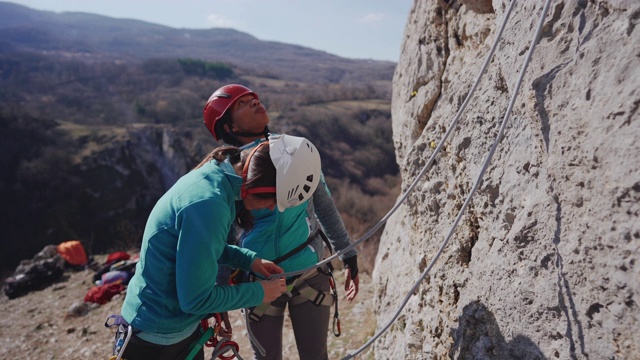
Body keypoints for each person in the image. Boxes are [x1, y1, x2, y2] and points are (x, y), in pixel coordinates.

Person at [116, 134, 322, 360]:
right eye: (274, 200)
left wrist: (249, 260)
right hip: (156, 339)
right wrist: (260, 292)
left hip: (167, 329)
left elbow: (203, 250)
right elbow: (195, 300)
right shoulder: (209, 205)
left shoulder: (217, 180)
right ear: (258, 183)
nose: (272, 208)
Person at [203, 84, 360, 360]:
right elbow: (224, 236)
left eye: (254, 98)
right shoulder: (226, 172)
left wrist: (348, 255)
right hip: (257, 282)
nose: (254, 102)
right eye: (242, 104)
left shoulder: (294, 151)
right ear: (230, 128)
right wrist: (220, 291)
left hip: (307, 274)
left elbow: (323, 204)